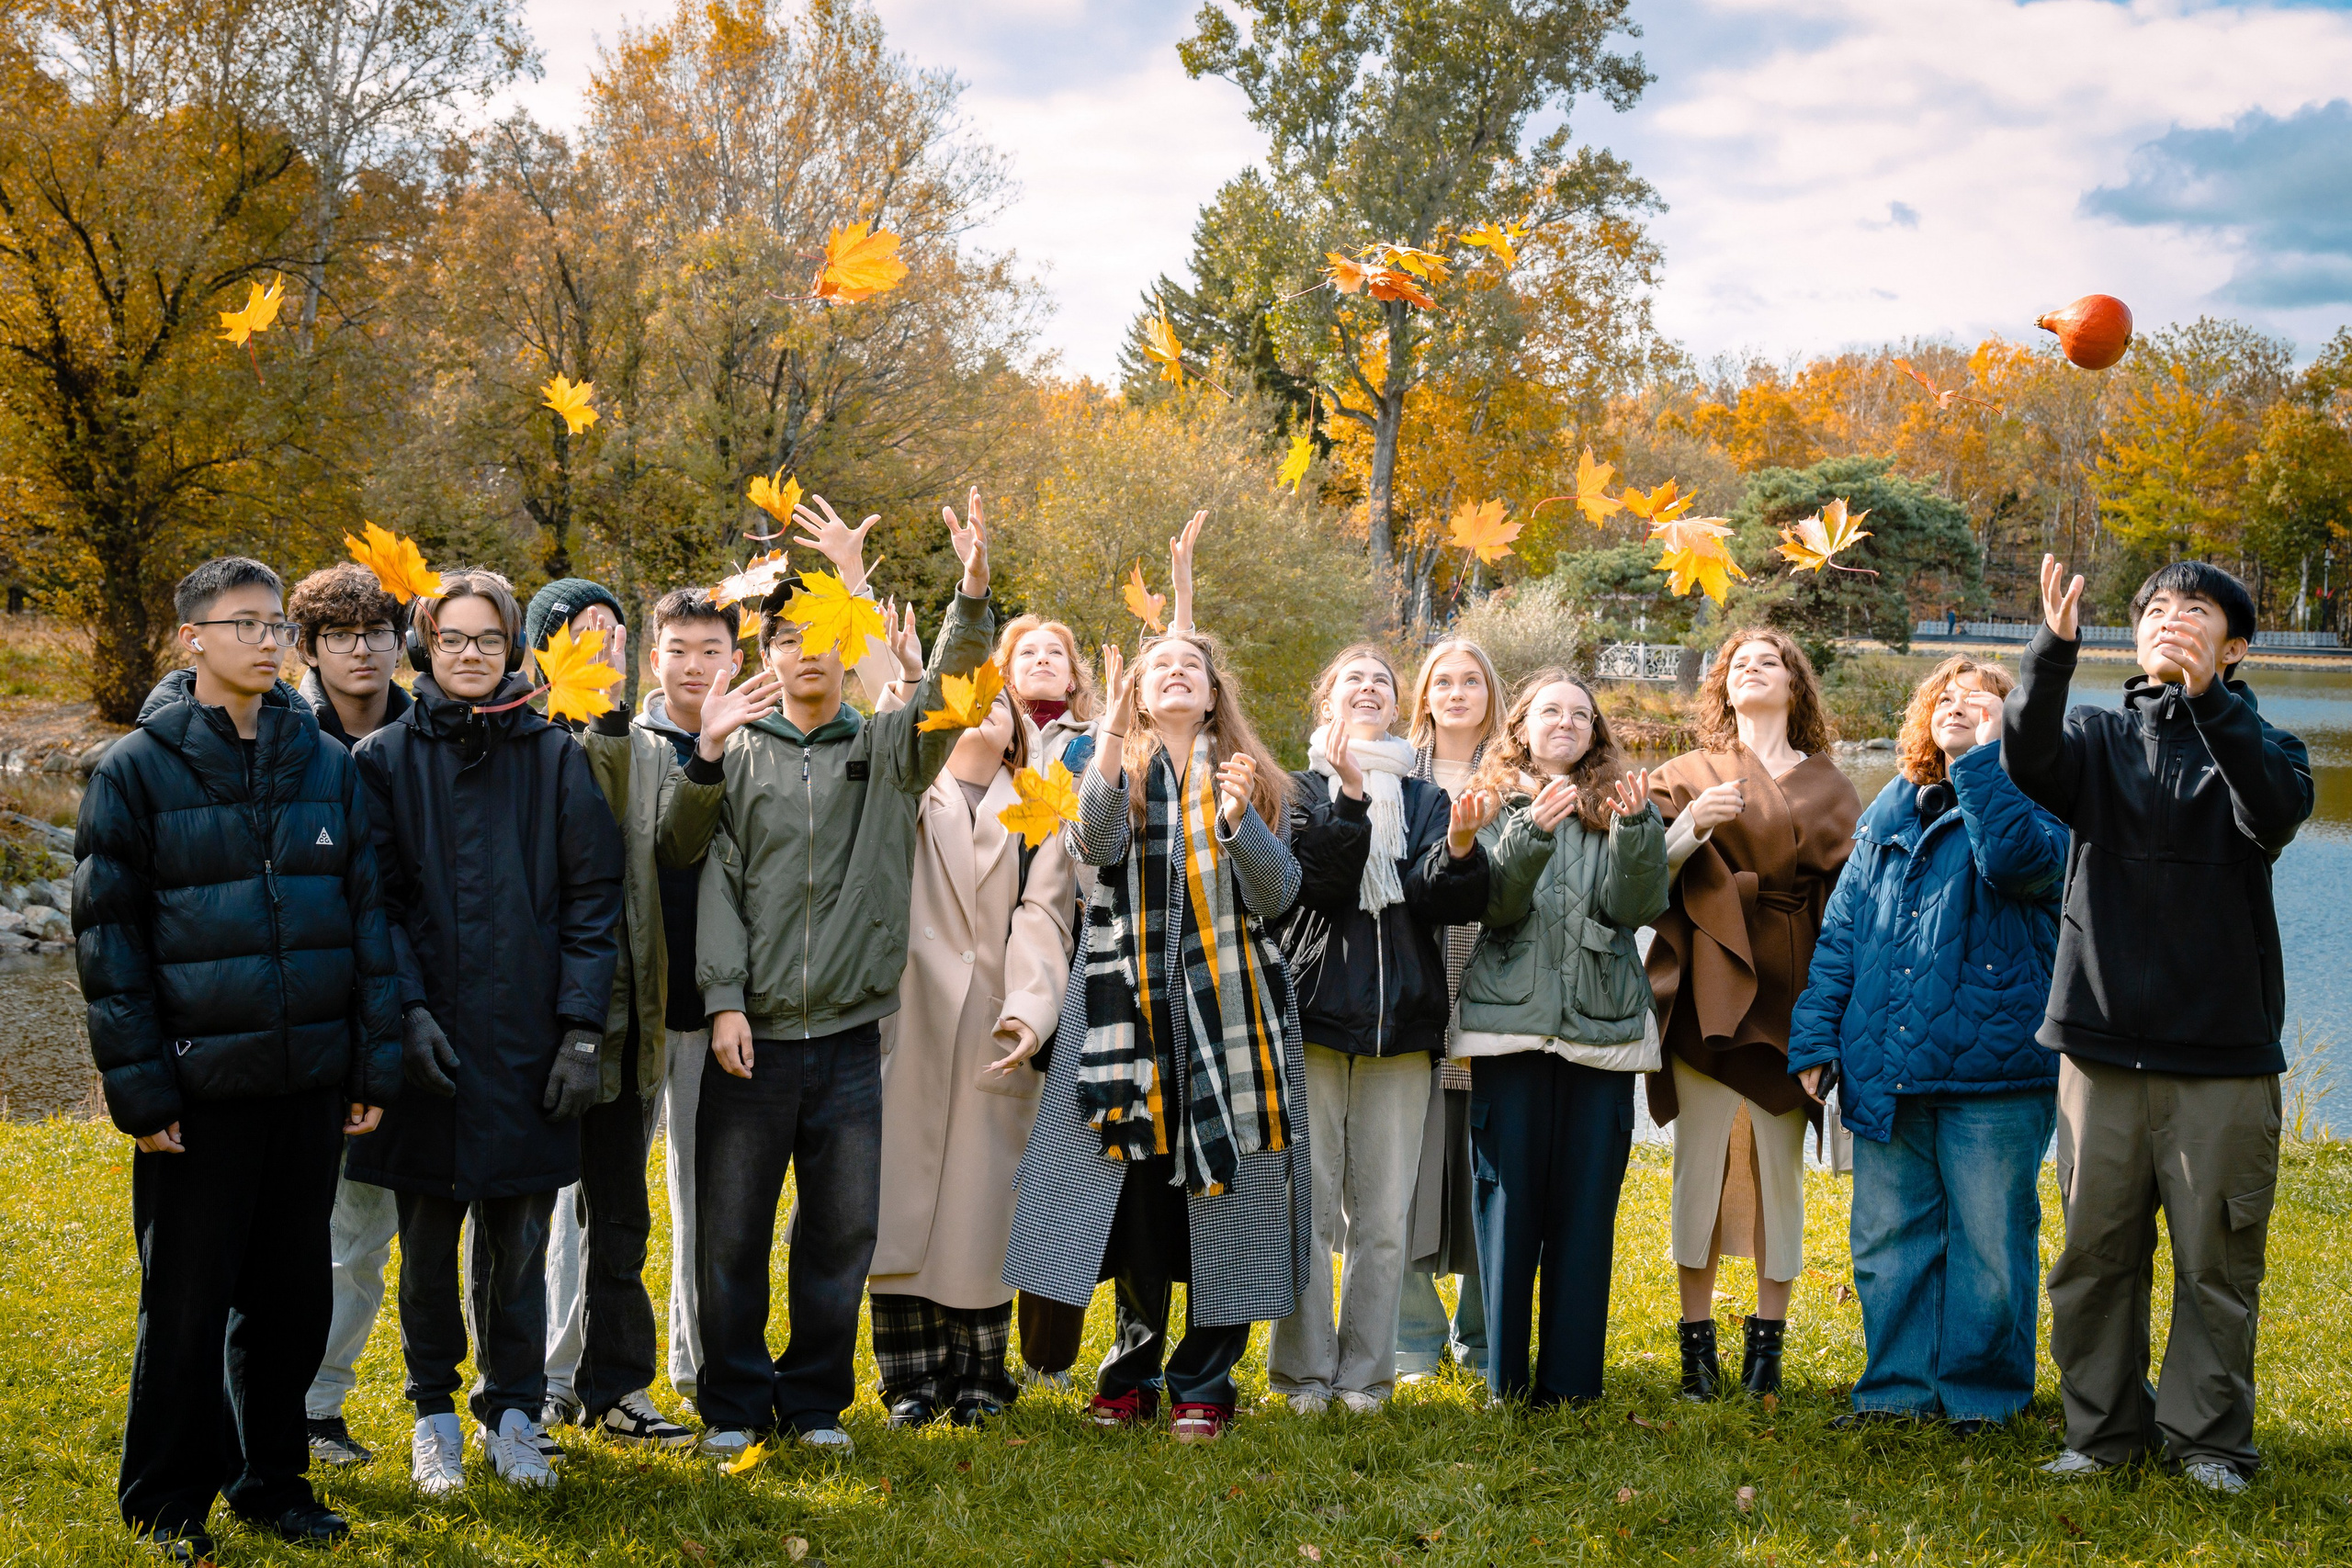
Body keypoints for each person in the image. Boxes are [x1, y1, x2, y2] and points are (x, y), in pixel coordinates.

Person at [656, 492, 997, 1461]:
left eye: (825, 635)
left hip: (850, 1035)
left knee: (839, 1233)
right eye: (788, 636)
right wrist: (724, 1001)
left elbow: (953, 687)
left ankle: (811, 1404)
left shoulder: (888, 753)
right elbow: (691, 859)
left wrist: (968, 590)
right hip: (749, 1036)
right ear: (763, 655)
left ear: (849, 649)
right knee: (729, 1233)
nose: (807, 650)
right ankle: (730, 1403)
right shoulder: (733, 752)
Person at [76, 557, 401, 1562]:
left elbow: (368, 925)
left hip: (304, 1085)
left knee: (291, 1299)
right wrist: (140, 1088)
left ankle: (275, 1482)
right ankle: (168, 1502)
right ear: (193, 640)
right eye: (244, 624)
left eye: (274, 625)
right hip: (196, 1094)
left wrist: (367, 1066)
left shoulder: (326, 765)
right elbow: (108, 941)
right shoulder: (137, 770)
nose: (267, 641)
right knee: (185, 1306)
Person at [2007, 557, 2312, 1493]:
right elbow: (2025, 752)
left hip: (2219, 1058)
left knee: (2214, 1262)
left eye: (2196, 613)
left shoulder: (2269, 746)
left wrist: (2209, 700)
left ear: (2236, 646)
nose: (2171, 623)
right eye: (2157, 611)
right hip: (2097, 1048)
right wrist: (2052, 653)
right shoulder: (2094, 741)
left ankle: (2209, 1442)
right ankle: (2099, 1435)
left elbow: (2271, 808)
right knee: (2093, 1256)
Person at [348, 569, 625, 1495]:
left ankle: (512, 1411)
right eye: (454, 639)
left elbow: (593, 901)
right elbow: (373, 905)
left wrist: (581, 1029)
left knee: (519, 1242)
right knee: (426, 1248)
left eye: (488, 640)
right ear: (428, 644)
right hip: (424, 1046)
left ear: (514, 649)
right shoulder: (382, 761)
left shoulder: (555, 758)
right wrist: (408, 1010)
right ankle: (433, 1413)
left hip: (527, 1044)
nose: (471, 656)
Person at [1003, 629, 1308, 1445]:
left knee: (1225, 1198)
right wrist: (1108, 736)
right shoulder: (1112, 770)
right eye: (1159, 667)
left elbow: (1279, 899)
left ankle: (1205, 1379)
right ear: (1139, 693)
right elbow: (1093, 844)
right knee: (1136, 1203)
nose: (1176, 675)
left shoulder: (1253, 776)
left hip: (1231, 1022)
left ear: (1214, 694)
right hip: (1125, 1015)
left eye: (1193, 668)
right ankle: (1132, 1368)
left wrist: (1240, 821)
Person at [1787, 656, 2067, 1434]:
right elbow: (1843, 930)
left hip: (1996, 1068)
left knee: (1990, 1243)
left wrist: (1982, 764)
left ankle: (1982, 1398)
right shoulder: (1891, 806)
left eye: (1980, 701)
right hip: (1889, 1061)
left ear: (2012, 721)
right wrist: (1816, 1035)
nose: (1956, 707)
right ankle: (1896, 1395)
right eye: (1945, 697)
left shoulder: (2043, 798)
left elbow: (2017, 866)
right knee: (1888, 1237)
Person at [853, 632, 1078, 1426]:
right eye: (965, 705)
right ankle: (909, 1381)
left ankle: (980, 1379)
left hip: (992, 1024)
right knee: (901, 1197)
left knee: (981, 1207)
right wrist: (904, 667)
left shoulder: (1039, 813)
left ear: (1019, 731)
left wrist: (1027, 1010)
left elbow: (1043, 916)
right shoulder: (910, 790)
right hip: (904, 1017)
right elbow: (891, 713)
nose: (982, 715)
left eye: (997, 707)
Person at [571, 587, 781, 1418]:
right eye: (681, 650)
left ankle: (699, 1368)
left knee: (710, 1201)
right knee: (591, 1204)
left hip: (723, 1010)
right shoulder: (625, 739)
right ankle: (560, 1373)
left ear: (738, 657)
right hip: (634, 1009)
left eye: (713, 651)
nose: (697, 666)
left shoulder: (762, 741)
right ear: (654, 657)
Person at [521, 576, 718, 1450]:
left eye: (611, 631)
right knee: (545, 1212)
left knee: (620, 1210)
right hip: (543, 1017)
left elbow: (673, 844)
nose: (599, 647)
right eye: (577, 633)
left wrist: (705, 757)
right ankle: (541, 1380)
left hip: (633, 1013)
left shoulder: (638, 748)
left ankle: (616, 1384)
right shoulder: (521, 739)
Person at [1269, 646, 1491, 1414]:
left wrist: (1460, 847)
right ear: (1327, 700)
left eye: (1382, 681)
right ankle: (1301, 1373)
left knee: (1385, 1218)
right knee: (1310, 1205)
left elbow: (1441, 901)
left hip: (1402, 1029)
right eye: (1352, 679)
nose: (1368, 688)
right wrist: (1355, 800)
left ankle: (1365, 1375)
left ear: (1398, 707)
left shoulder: (1428, 797)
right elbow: (1314, 885)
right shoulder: (1294, 790)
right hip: (1316, 1021)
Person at [1646, 630, 1860, 1400]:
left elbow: (1852, 907)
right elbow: (1639, 875)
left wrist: (1835, 1021)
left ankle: (1767, 1350)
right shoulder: (1685, 773)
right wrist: (1693, 821)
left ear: (1794, 685)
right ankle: (1694, 1347)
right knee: (1698, 1168)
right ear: (1723, 689)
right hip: (1710, 977)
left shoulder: (1831, 784)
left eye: (1767, 660)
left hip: (1795, 989)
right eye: (1738, 664)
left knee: (1779, 1174)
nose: (1751, 669)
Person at [1454, 671, 1667, 1405]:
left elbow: (1632, 908)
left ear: (1595, 733)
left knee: (1584, 1213)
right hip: (1509, 1030)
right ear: (1522, 726)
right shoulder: (1494, 804)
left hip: (1598, 1032)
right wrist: (1530, 831)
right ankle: (1505, 1383)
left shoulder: (1623, 807)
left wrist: (1640, 833)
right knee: (1509, 1208)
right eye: (1552, 711)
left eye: (1581, 714)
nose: (1567, 723)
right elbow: (1496, 905)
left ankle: (1572, 1385)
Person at [283, 563, 413, 1469]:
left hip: (410, 1009)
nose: (361, 650)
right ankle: (272, 1403)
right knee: (305, 1232)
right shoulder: (278, 735)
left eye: (375, 632)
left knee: (365, 1230)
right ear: (311, 649)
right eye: (340, 636)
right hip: (298, 1015)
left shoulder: (434, 729)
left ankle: (318, 1405)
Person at [990, 612, 1102, 1388]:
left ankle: (1045, 1355)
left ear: (1074, 677)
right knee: (981, 1158)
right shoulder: (980, 745)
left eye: (1053, 654)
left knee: (1055, 1162)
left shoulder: (1094, 749)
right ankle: (970, 1336)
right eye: (1024, 651)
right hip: (973, 964)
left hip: (1074, 965)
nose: (1039, 662)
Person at [1396, 637, 1508, 1386]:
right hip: (1409, 990)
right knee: (1404, 1167)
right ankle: (1410, 1337)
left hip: (1494, 989)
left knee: (1483, 1166)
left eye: (1473, 680)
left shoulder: (1517, 776)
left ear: (1492, 695)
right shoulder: (1393, 771)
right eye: (1445, 680)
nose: (1458, 691)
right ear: (1425, 695)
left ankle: (1479, 1331)